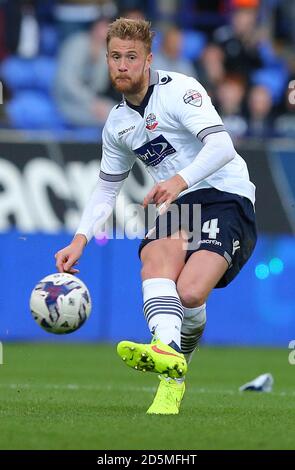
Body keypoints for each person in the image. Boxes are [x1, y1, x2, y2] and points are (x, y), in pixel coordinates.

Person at [55, 18, 257, 415]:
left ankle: (177, 349)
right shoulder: (117, 123)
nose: (122, 65)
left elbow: (221, 145)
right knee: (154, 256)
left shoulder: (180, 91)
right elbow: (107, 187)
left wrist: (179, 180)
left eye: (131, 57)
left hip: (226, 194)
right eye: (115, 57)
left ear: (148, 60)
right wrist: (78, 240)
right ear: (107, 60)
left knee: (191, 295)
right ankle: (169, 369)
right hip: (179, 204)